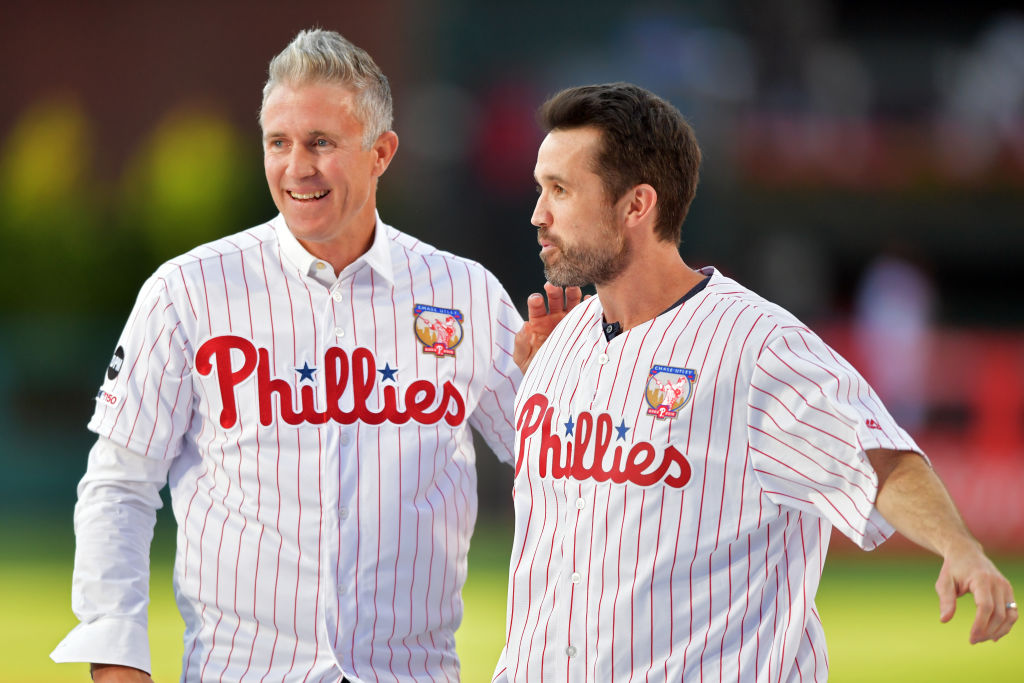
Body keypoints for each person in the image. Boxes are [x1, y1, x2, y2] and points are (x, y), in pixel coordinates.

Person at [51, 29, 573, 682]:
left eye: (321, 143)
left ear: (381, 152)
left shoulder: (464, 293)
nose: (297, 167)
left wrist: (569, 384)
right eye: (279, 142)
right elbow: (119, 484)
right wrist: (116, 659)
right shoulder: (188, 290)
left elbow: (566, 474)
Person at [494, 82, 1017, 682]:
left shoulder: (757, 346)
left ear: (636, 205)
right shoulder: (561, 340)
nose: (538, 213)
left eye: (560, 190)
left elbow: (880, 459)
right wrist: (550, 373)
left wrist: (960, 547)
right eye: (541, 188)